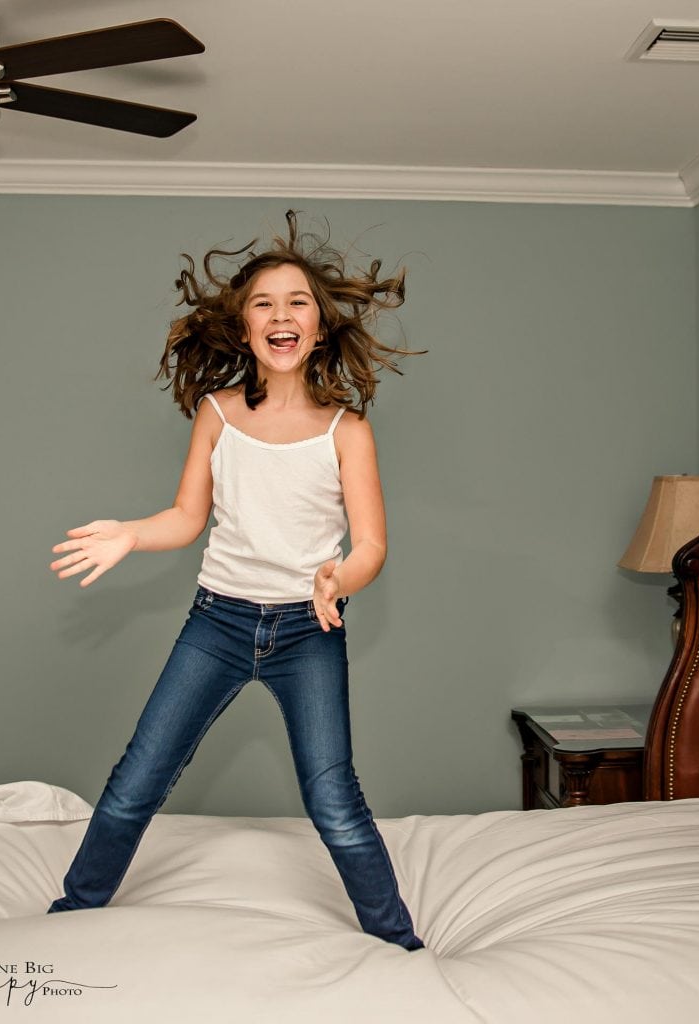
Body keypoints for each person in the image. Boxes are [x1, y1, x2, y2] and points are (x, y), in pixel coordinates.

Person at [46, 211, 426, 951]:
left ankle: (399, 944)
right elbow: (188, 518)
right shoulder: (216, 413)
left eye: (297, 303)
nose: (281, 315)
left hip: (305, 631)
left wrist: (337, 576)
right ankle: (72, 912)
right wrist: (130, 533)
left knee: (333, 798)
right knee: (138, 777)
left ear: (318, 328)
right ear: (244, 329)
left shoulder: (345, 429)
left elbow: (373, 543)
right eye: (263, 304)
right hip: (215, 624)